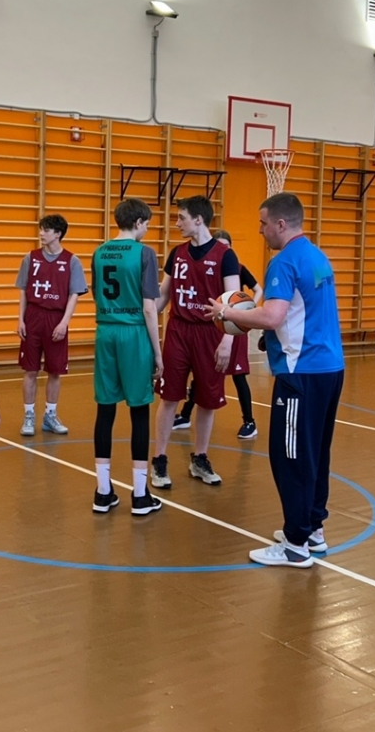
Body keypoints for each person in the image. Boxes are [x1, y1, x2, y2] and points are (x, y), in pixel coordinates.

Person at [207, 193, 344, 568]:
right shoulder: (317, 256)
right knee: (316, 453)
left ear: (281, 224)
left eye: (263, 223)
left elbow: (272, 317)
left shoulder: (283, 262)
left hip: (301, 373)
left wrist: (227, 312)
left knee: (291, 457)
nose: (260, 230)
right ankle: (312, 530)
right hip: (330, 369)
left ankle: (295, 545)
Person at [151, 195, 240, 490]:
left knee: (207, 400)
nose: (177, 223)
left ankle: (199, 458)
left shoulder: (225, 256)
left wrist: (227, 341)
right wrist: (144, 321)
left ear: (198, 220)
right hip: (179, 330)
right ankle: (159, 459)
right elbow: (163, 295)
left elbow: (234, 303)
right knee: (169, 396)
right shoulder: (177, 253)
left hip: (210, 333)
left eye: (182, 217)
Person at [90, 198, 164, 516]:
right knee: (139, 410)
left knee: (105, 410)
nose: (147, 230)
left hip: (105, 331)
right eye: (147, 224)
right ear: (138, 223)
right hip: (133, 334)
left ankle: (103, 492)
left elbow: (97, 294)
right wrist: (158, 353)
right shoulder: (145, 253)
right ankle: (140, 495)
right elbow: (149, 308)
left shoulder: (98, 252)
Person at [174, 229, 263, 440]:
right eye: (219, 244)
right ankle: (185, 415)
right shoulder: (205, 268)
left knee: (239, 376)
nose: (222, 248)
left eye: (226, 245)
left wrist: (246, 310)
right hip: (213, 328)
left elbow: (258, 289)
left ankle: (249, 421)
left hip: (233, 327)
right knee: (203, 373)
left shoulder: (238, 268)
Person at [15, 214, 88, 437]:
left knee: (55, 370)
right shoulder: (30, 258)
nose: (41, 233)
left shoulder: (72, 261)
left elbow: (74, 295)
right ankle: (29, 415)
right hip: (33, 316)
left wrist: (64, 323)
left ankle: (50, 415)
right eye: (41, 229)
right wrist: (20, 319)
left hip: (56, 318)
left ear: (57, 234)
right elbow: (23, 291)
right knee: (30, 370)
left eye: (45, 230)